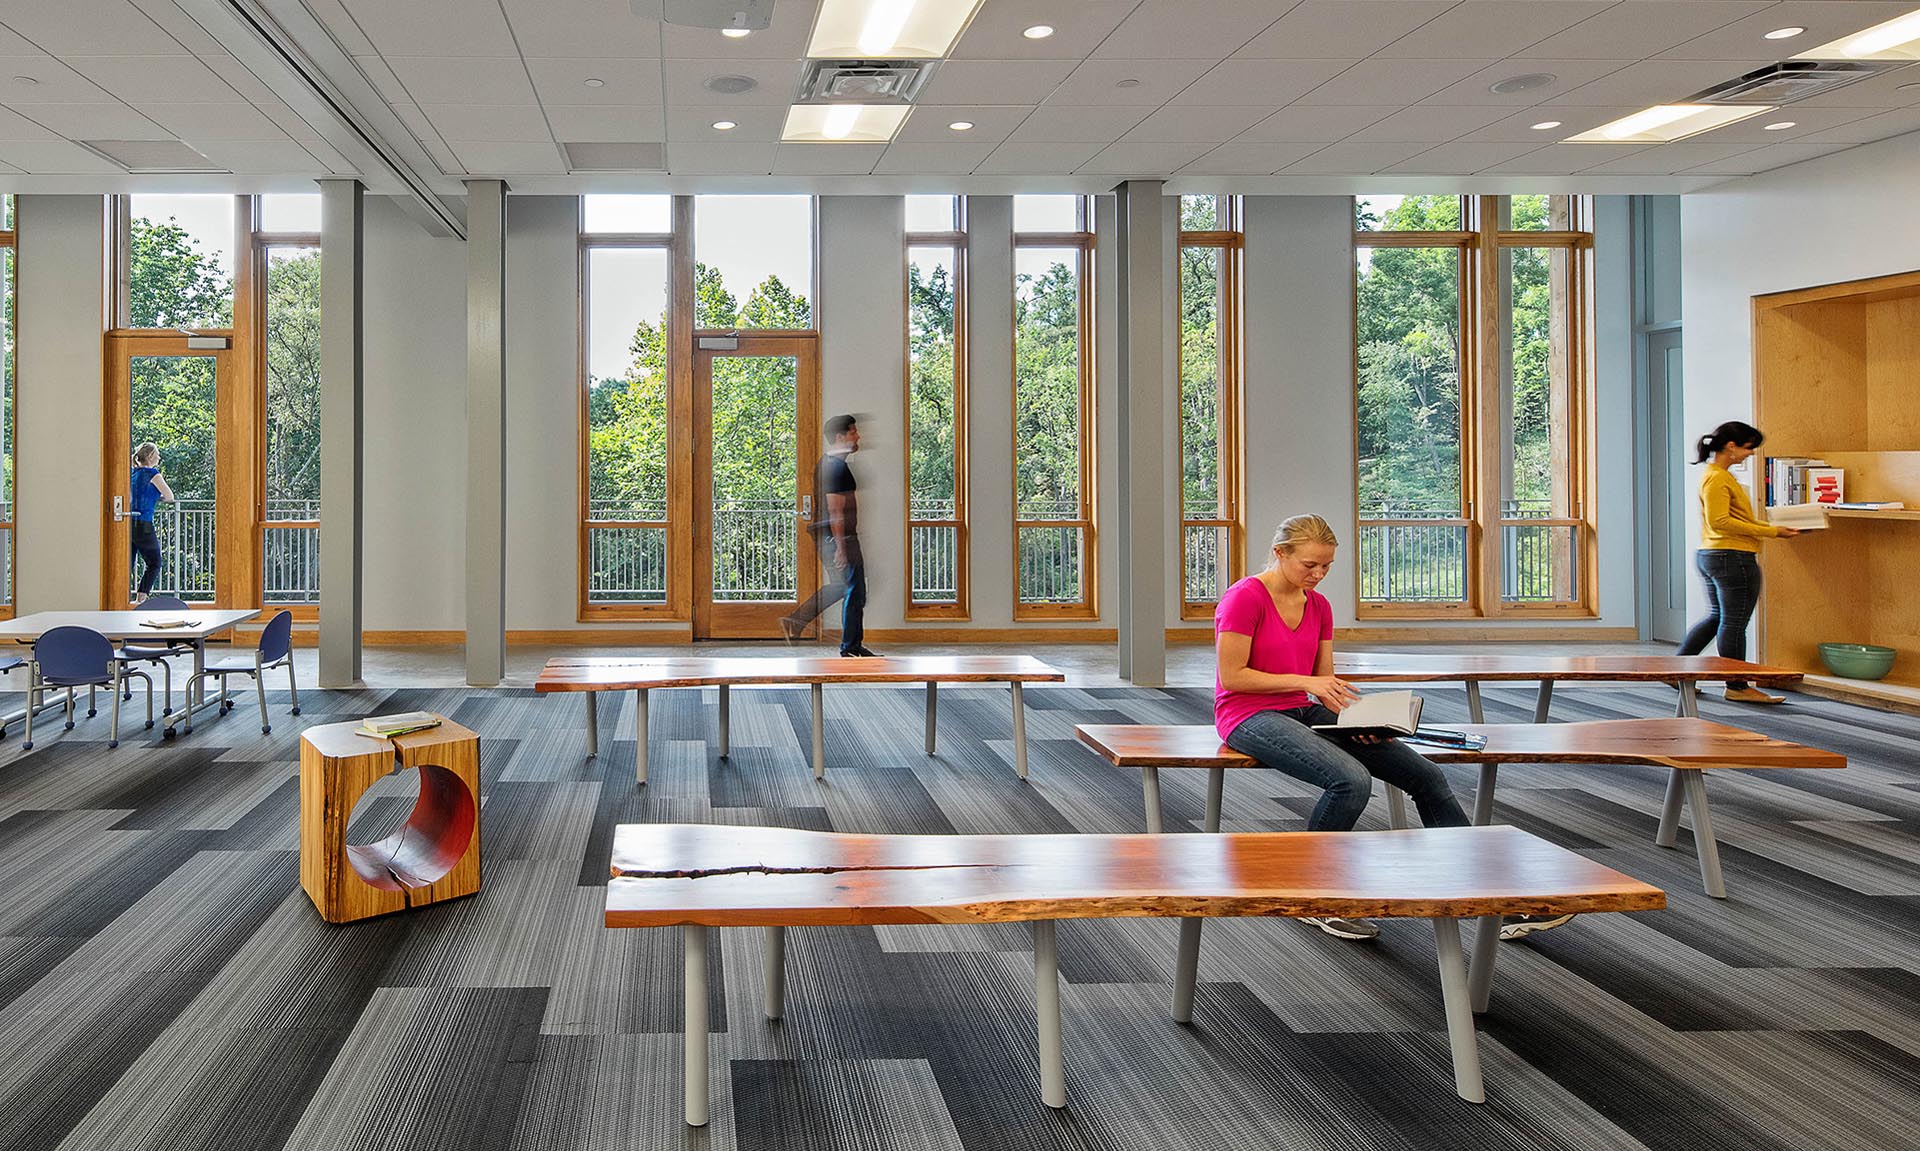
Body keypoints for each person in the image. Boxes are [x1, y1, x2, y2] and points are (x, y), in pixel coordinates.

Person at [1215, 515, 1500, 940]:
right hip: (1247, 714)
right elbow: (1233, 676)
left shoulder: (1319, 606)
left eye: (1327, 566)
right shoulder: (1244, 598)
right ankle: (1316, 897)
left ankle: (1482, 886)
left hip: (1301, 708)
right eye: (1310, 565)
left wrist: (1358, 719)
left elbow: (1323, 683)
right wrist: (1308, 683)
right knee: (1350, 781)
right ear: (1280, 554)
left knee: (1426, 775)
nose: (1318, 574)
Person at [1676, 420, 1801, 704]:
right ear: (1731, 447)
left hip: (1713, 554)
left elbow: (1735, 520)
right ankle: (1737, 686)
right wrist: (1771, 532)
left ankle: (1675, 671)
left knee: (1718, 618)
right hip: (1731, 556)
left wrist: (1776, 528)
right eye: (1748, 448)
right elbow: (1720, 522)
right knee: (1733, 623)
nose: (1751, 454)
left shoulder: (1718, 476)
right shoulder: (1718, 478)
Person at [781, 414, 874, 656]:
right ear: (840, 437)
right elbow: (835, 509)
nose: (858, 436)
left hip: (833, 536)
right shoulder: (835, 468)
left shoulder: (831, 464)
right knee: (854, 590)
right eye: (853, 432)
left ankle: (796, 621)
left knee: (845, 587)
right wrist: (842, 546)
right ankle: (850, 646)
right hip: (837, 537)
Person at [129, 441, 174, 603]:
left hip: (127, 523)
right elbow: (169, 496)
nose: (159, 457)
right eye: (157, 454)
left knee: (128, 563)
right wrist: (157, 498)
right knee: (154, 563)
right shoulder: (153, 474)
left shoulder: (131, 473)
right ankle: (141, 599)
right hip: (143, 524)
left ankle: (122, 600)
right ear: (150, 457)